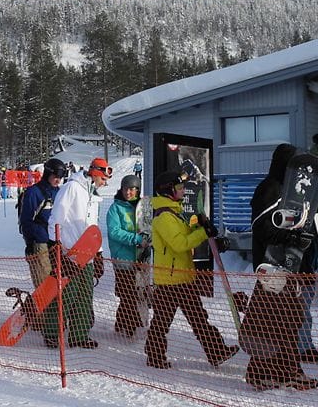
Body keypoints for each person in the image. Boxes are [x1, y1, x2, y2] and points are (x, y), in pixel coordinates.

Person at [241, 143, 318, 390]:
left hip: (291, 266)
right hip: (272, 266)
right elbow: (262, 228)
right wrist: (291, 238)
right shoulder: (270, 188)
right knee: (275, 322)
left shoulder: (292, 191)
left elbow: (301, 225)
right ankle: (275, 371)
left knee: (284, 321)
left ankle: (275, 371)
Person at [144, 170, 237, 368]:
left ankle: (217, 351)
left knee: (199, 318)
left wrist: (200, 226)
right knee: (161, 322)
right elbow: (180, 244)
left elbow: (186, 236)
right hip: (169, 282)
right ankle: (154, 356)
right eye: (179, 187)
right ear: (168, 190)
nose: (183, 191)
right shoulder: (163, 218)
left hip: (184, 278)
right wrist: (202, 233)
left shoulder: (174, 214)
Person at [40, 157, 109, 349]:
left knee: (85, 295)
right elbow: (56, 217)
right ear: (95, 173)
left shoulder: (93, 195)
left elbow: (92, 226)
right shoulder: (72, 188)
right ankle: (52, 333)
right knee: (65, 294)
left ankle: (79, 334)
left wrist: (99, 254)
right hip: (68, 251)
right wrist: (56, 247)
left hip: (86, 254)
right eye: (103, 179)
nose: (105, 183)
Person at [105, 174, 146, 337]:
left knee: (133, 293)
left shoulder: (141, 208)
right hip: (122, 258)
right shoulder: (116, 208)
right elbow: (114, 232)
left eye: (131, 189)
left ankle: (122, 322)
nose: (128, 192)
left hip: (139, 257)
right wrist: (136, 239)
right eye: (125, 189)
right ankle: (129, 324)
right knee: (127, 292)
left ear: (137, 190)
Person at [18, 158, 67, 287]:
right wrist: (30, 242)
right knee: (44, 282)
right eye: (55, 176)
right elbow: (26, 220)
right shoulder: (34, 192)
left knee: (58, 282)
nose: (58, 180)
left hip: (56, 243)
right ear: (47, 174)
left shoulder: (60, 192)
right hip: (40, 243)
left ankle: (56, 307)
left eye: (60, 178)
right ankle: (43, 306)